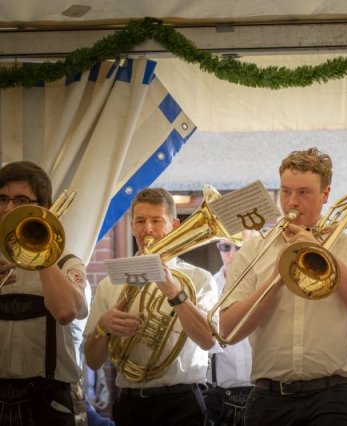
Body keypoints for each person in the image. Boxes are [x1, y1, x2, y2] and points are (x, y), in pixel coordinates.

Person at [219, 147, 347, 426]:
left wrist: (321, 253)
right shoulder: (253, 249)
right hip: (270, 398)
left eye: (304, 193)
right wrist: (276, 278)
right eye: (285, 192)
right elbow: (229, 330)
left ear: (325, 194)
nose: (292, 202)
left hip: (338, 395)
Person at [83, 188, 217, 426]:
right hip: (131, 404)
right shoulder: (109, 283)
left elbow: (208, 340)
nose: (148, 229)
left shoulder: (199, 278)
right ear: (132, 225)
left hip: (182, 402)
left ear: (175, 225)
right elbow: (93, 361)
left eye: (157, 220)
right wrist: (103, 327)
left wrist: (174, 292)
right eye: (140, 221)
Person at [0, 160, 89, 426]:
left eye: (20, 200)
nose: (8, 208)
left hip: (51, 401)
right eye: (2, 198)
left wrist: (42, 248)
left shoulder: (67, 263)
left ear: (43, 208)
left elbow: (65, 312)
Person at [206, 239, 253, 426]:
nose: (232, 255)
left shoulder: (265, 283)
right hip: (218, 396)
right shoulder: (207, 286)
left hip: (262, 393)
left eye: (240, 246)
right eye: (226, 247)